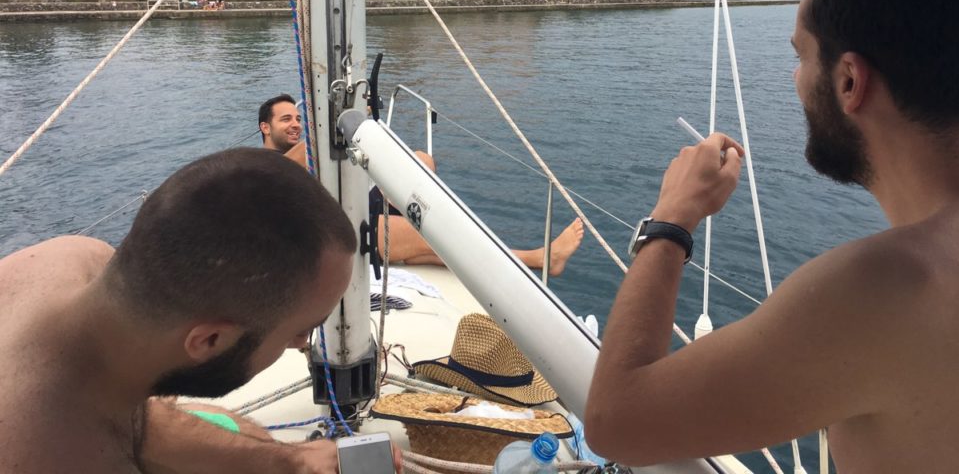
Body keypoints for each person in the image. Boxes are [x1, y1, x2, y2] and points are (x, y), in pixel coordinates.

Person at [585, 0, 959, 472]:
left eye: (801, 56)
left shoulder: (887, 287)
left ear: (848, 81)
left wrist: (672, 218)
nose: (795, 77)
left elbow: (614, 422)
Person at [0, 148, 358, 473]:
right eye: (300, 329)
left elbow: (139, 421)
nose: (302, 344)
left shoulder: (72, 258)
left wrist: (290, 461)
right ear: (208, 340)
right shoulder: (56, 456)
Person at [258, 95, 584, 274]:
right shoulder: (263, 166)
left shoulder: (309, 155)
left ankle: (423, 218)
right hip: (334, 233)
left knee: (423, 160)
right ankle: (537, 259)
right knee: (428, 236)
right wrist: (336, 121)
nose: (296, 125)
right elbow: (283, 174)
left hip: (348, 205)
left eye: (299, 119)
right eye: (286, 119)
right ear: (264, 128)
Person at [372, 150, 584, 276]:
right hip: (362, 226)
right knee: (436, 235)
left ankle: (420, 245)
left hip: (363, 200)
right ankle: (540, 259)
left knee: (423, 159)